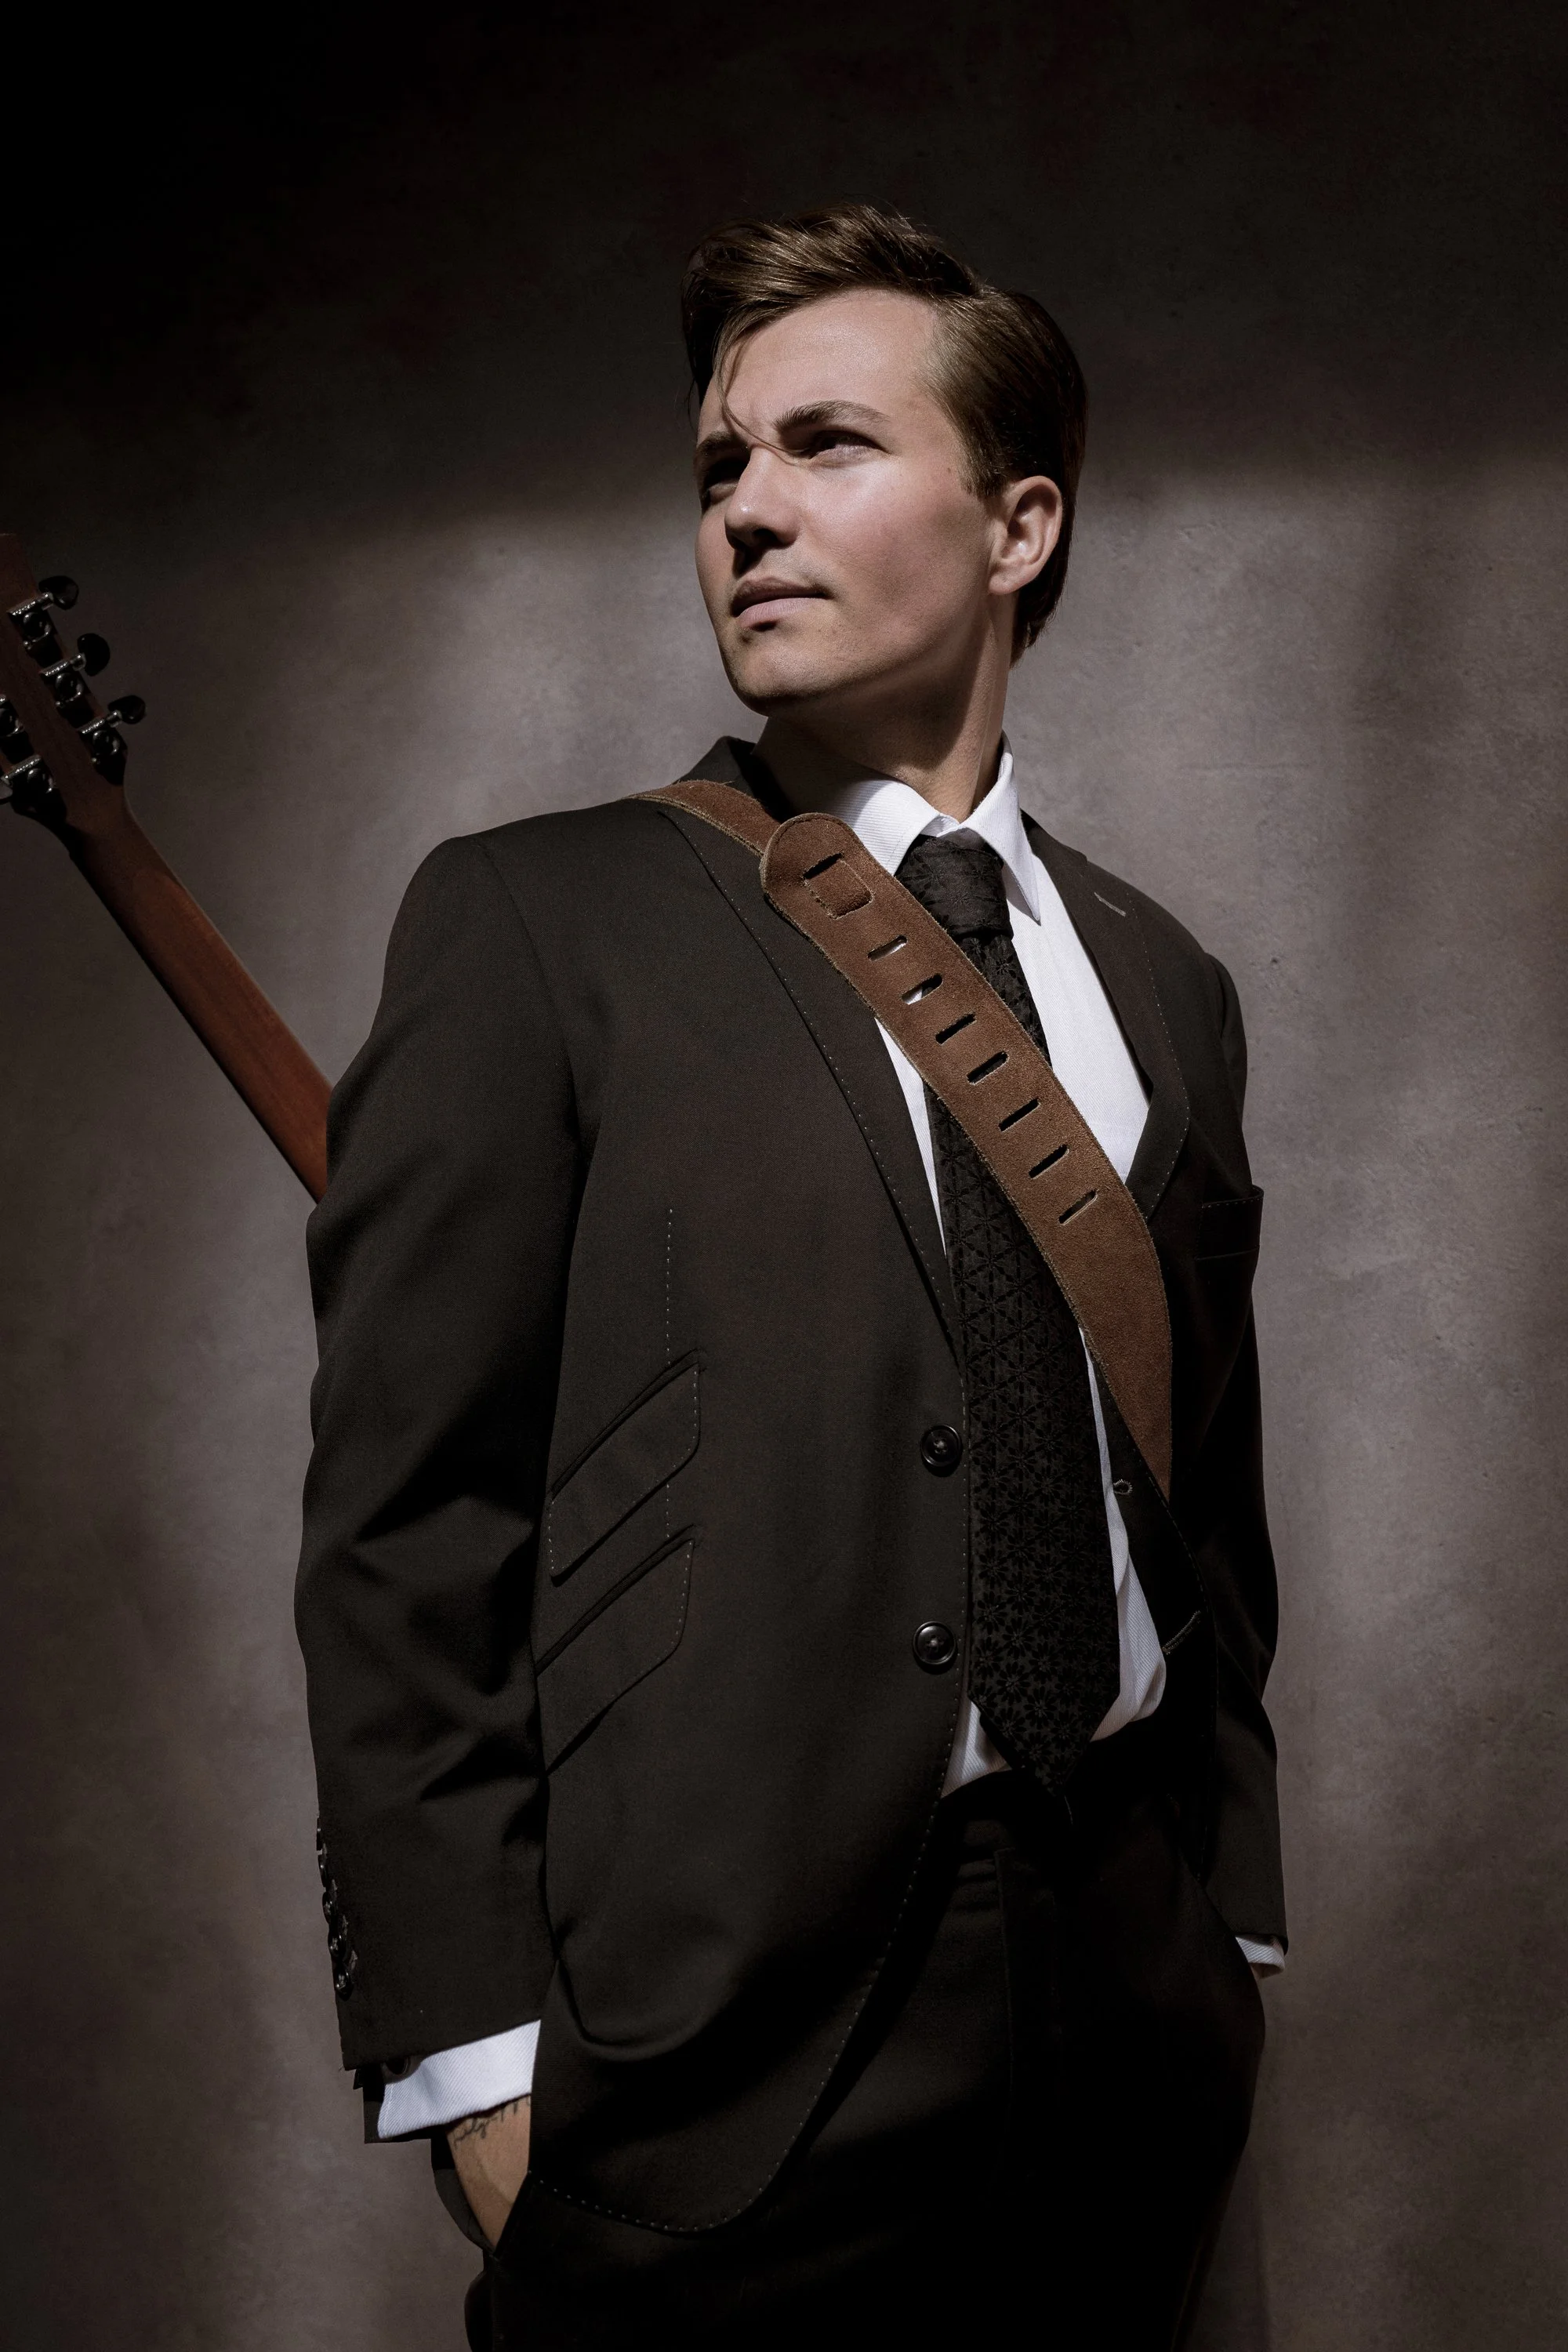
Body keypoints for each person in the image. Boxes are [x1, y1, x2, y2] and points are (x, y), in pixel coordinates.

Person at [296, 200, 1284, 2350]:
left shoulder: (1163, 987)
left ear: (1019, 525)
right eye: (719, 465)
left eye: (826, 445)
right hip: (730, 2035)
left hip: (1126, 1990)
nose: (746, 507)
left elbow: (1212, 1504)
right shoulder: (534, 926)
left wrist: (1238, 1939)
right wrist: (474, 2063)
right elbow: (405, 1538)